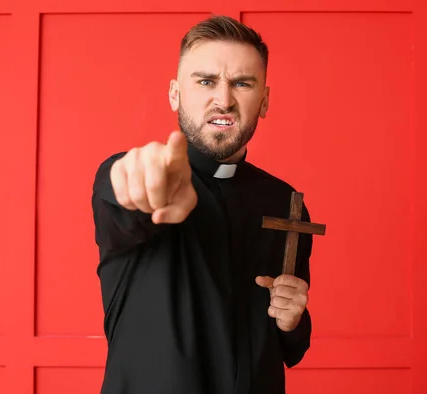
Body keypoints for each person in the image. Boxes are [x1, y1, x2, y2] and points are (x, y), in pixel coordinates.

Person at [91, 14, 314, 394]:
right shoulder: (139, 176)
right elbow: (123, 203)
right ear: (175, 94)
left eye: (242, 83)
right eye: (206, 81)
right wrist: (139, 182)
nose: (223, 99)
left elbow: (290, 348)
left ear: (264, 100)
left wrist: (292, 320)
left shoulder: (284, 201)